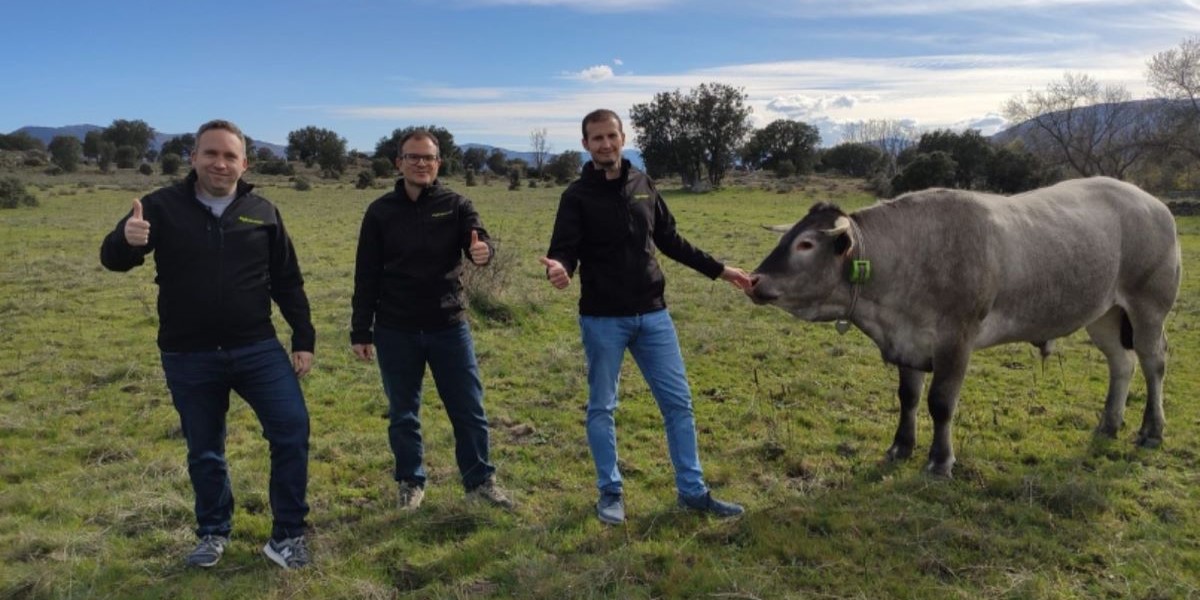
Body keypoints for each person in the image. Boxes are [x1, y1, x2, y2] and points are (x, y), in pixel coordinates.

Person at [100, 119, 314, 569]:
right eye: (211, 154)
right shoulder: (160, 207)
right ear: (193, 157)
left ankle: (288, 536)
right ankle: (214, 531)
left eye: (230, 155)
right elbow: (114, 260)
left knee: (292, 429)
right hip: (188, 353)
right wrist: (126, 241)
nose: (220, 163)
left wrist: (303, 337)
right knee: (205, 447)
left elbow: (287, 280)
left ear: (244, 163)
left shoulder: (264, 211)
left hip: (257, 347)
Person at [540, 109, 753, 525]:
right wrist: (560, 268)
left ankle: (692, 492)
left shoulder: (643, 184)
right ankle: (611, 492)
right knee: (603, 407)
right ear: (585, 144)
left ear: (623, 138)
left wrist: (721, 270)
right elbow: (564, 248)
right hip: (603, 319)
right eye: (596, 138)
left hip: (654, 315)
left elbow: (670, 239)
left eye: (611, 136)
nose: (605, 144)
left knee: (679, 404)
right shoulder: (576, 196)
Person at [351, 130, 513, 511]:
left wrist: (482, 251)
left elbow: (482, 242)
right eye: (413, 157)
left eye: (428, 158)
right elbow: (366, 274)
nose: (421, 163)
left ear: (438, 163)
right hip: (395, 328)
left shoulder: (455, 204)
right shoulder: (380, 212)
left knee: (468, 408)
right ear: (399, 163)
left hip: (448, 326)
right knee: (403, 413)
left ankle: (480, 481)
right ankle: (410, 482)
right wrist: (361, 329)